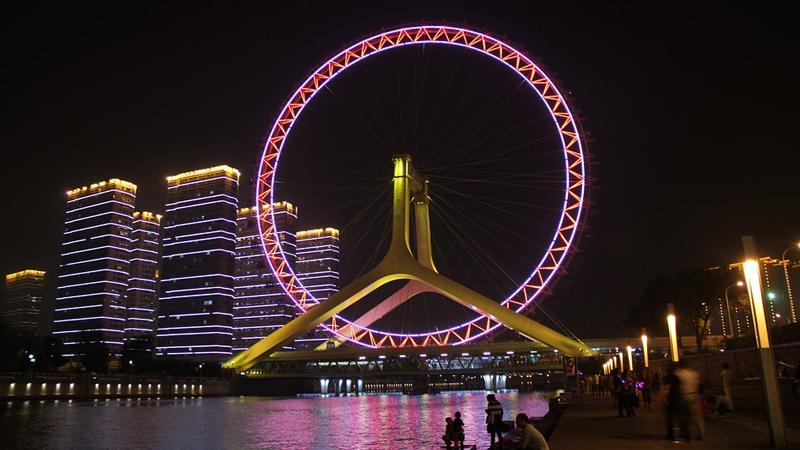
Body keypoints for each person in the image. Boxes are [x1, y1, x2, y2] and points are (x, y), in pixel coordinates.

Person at [675, 361, 705, 441]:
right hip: (695, 395)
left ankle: (687, 434)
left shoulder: (679, 374)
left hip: (686, 396)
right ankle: (701, 434)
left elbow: (679, 387)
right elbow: (700, 384)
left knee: (685, 416)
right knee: (697, 417)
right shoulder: (694, 373)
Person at [664, 365, 684, 440]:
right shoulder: (677, 377)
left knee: (670, 418)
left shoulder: (667, 378)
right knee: (679, 416)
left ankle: (671, 434)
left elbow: (667, 388)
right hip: (678, 397)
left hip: (671, 399)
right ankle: (683, 432)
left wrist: (664, 399)